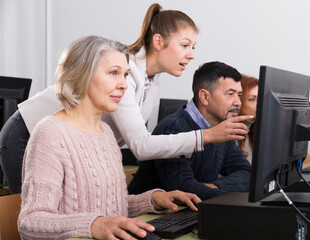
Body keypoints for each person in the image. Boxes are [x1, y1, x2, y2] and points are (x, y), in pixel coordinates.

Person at [0, 3, 252, 194]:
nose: (191, 55)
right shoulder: (127, 73)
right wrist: (207, 136)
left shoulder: (151, 79)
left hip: (72, 145)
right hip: (27, 132)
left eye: (193, 47)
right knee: (35, 211)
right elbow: (141, 146)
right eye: (185, 45)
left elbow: (137, 139)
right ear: (158, 41)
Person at [17, 35, 201, 240]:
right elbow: (31, 222)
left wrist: (154, 199)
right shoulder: (50, 133)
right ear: (81, 75)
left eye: (125, 75)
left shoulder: (105, 132)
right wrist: (94, 224)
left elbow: (113, 207)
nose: (123, 85)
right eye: (114, 73)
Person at [128, 61, 252, 200]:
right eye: (230, 94)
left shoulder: (222, 128)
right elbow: (183, 187)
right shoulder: (173, 128)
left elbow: (246, 173)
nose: (238, 102)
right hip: (149, 216)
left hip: (191, 211)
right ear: (204, 97)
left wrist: (216, 186)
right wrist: (213, 189)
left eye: (239, 95)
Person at [237, 75, 259, 164]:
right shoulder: (230, 135)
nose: (259, 104)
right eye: (252, 99)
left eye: (260, 99)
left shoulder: (252, 130)